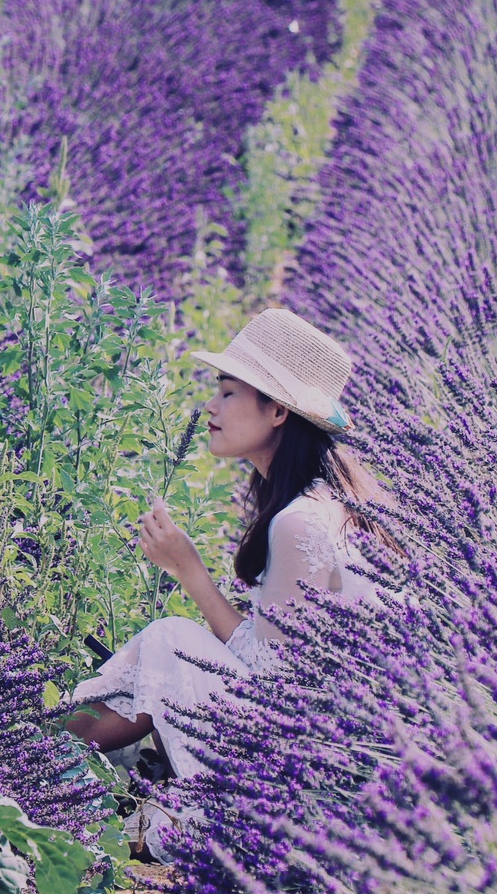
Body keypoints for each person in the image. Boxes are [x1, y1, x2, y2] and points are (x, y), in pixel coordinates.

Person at [63, 308, 390, 854]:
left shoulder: (301, 521)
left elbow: (271, 681)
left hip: (302, 774)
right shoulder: (327, 501)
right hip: (334, 755)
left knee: (171, 640)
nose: (210, 407)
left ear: (279, 410)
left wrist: (188, 569)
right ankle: (56, 759)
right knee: (167, 644)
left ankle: (41, 757)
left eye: (230, 392)